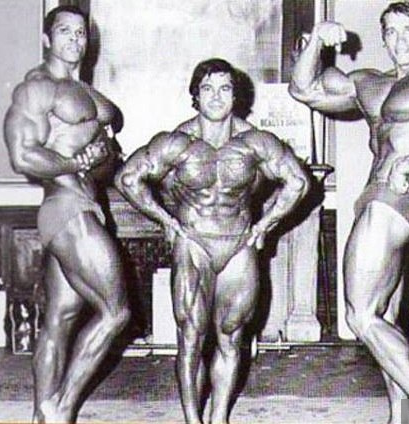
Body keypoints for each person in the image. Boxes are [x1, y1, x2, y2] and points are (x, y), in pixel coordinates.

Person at [289, 1, 409, 423]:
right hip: (379, 198)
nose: (399, 40)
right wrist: (317, 40)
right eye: (390, 31)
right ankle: (400, 415)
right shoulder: (371, 83)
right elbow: (305, 90)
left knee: (359, 317)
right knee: (385, 318)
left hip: (392, 202)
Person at [115, 58, 310, 424]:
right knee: (191, 336)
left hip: (238, 244)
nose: (216, 97)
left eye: (224, 88)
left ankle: (219, 418)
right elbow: (128, 178)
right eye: (207, 89)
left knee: (230, 336)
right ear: (196, 96)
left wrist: (264, 225)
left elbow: (298, 182)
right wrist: (167, 221)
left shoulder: (255, 142)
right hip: (194, 243)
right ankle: (193, 420)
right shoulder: (177, 142)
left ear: (236, 96)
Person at [3, 5, 130, 423]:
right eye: (64, 31)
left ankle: (41, 417)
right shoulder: (37, 88)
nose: (74, 39)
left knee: (61, 319)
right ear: (47, 39)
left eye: (80, 33)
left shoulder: (86, 91)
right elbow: (23, 156)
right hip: (66, 207)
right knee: (116, 312)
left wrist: (100, 158)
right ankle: (60, 408)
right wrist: (76, 164)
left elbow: (101, 161)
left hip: (86, 205)